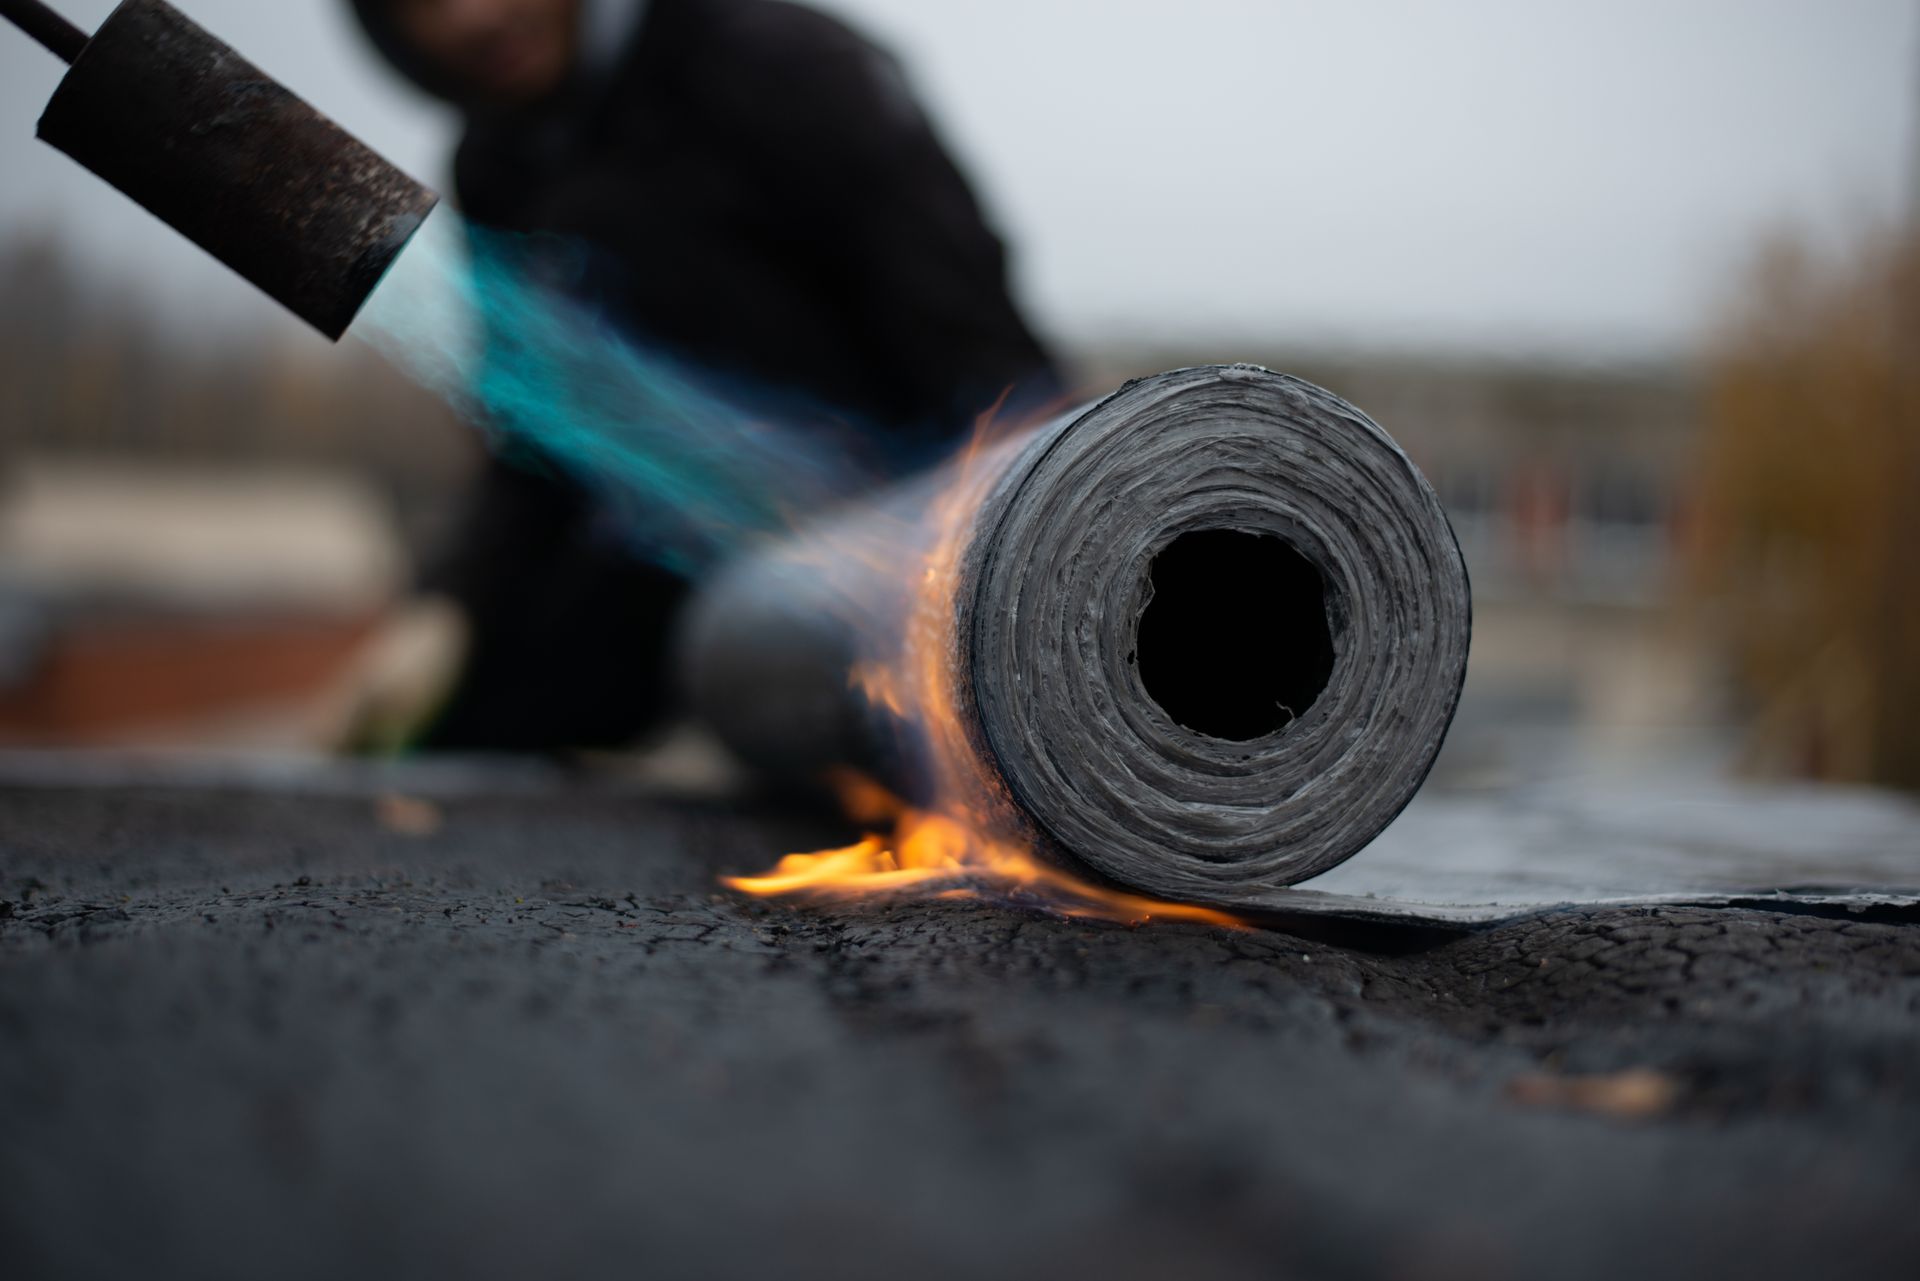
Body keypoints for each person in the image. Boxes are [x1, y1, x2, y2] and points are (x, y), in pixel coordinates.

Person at [346, 0, 1060, 751]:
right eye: (420, 3)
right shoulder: (495, 163)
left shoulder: (776, 63)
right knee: (466, 734)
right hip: (670, 557)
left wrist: (1034, 559)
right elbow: (537, 433)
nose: (473, 19)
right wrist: (448, 603)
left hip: (900, 539)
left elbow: (975, 344)